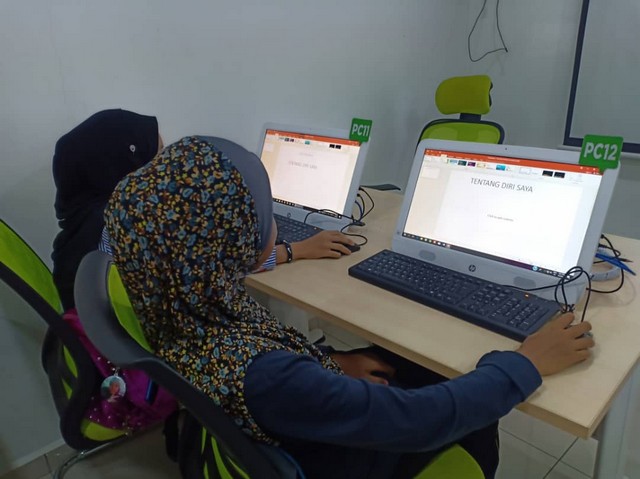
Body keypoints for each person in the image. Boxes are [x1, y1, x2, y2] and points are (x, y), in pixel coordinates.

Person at [105, 136, 594, 479]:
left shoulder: (180, 298)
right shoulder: (265, 375)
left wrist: (330, 362)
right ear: (229, 243)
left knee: (407, 360)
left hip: (283, 421)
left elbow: (280, 367)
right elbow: (420, 421)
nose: (270, 220)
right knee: (473, 400)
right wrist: (526, 364)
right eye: (262, 211)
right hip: (341, 459)